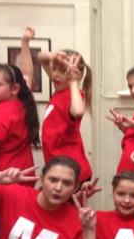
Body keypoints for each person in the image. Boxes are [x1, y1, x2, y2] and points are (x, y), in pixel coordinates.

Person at [0, 63, 39, 237]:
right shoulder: (22, 105)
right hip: (23, 184)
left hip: (5, 184)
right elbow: (27, 75)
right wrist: (25, 42)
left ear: (14, 88)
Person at [24, 26, 93, 184]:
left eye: (62, 71)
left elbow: (77, 112)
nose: (55, 74)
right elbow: (41, 58)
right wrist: (52, 56)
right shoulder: (60, 88)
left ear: (76, 75)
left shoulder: (72, 93)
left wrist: (74, 81)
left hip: (71, 167)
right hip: (57, 163)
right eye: (54, 69)